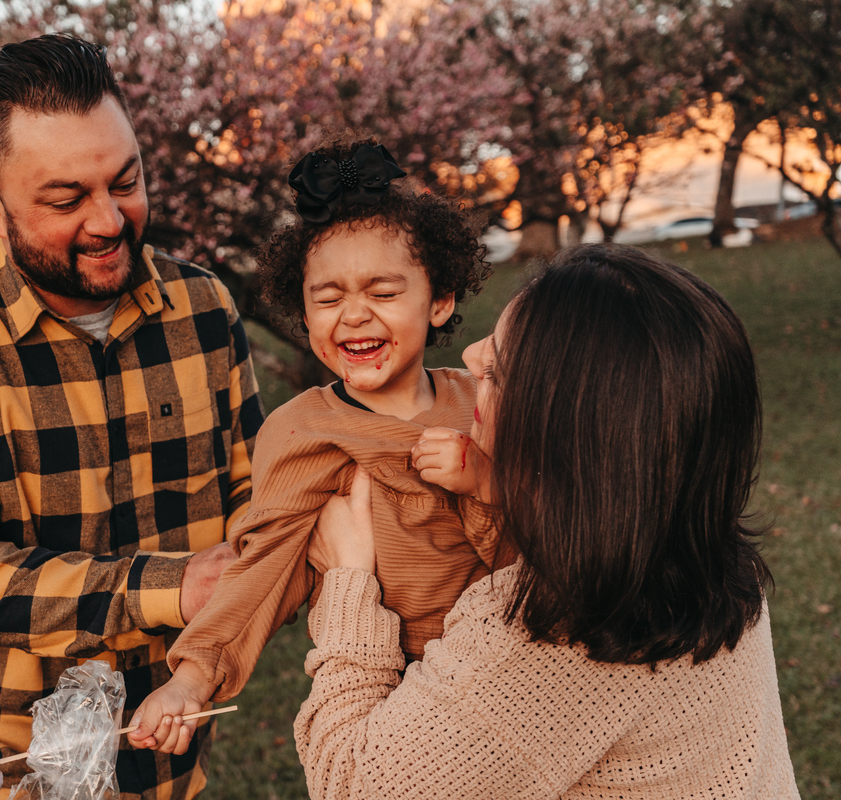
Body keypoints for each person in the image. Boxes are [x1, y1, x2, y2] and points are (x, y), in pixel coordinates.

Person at [0, 34, 263, 799]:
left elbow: (257, 499)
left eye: (127, 180)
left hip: (159, 753)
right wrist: (167, 589)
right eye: (66, 199)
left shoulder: (205, 309)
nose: (111, 220)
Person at [296, 244, 800, 799]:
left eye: (501, 370)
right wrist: (498, 492)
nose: (470, 356)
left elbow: (353, 785)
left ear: (562, 429)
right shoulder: (702, 546)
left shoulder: (553, 633)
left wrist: (348, 586)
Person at [128, 138, 509, 754]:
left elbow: (552, 544)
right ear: (304, 318)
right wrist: (194, 677)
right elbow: (265, 562)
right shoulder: (302, 429)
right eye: (328, 299)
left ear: (438, 301)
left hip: (507, 670)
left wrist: (485, 481)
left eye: (383, 294)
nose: (353, 316)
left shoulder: (483, 401)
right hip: (390, 692)